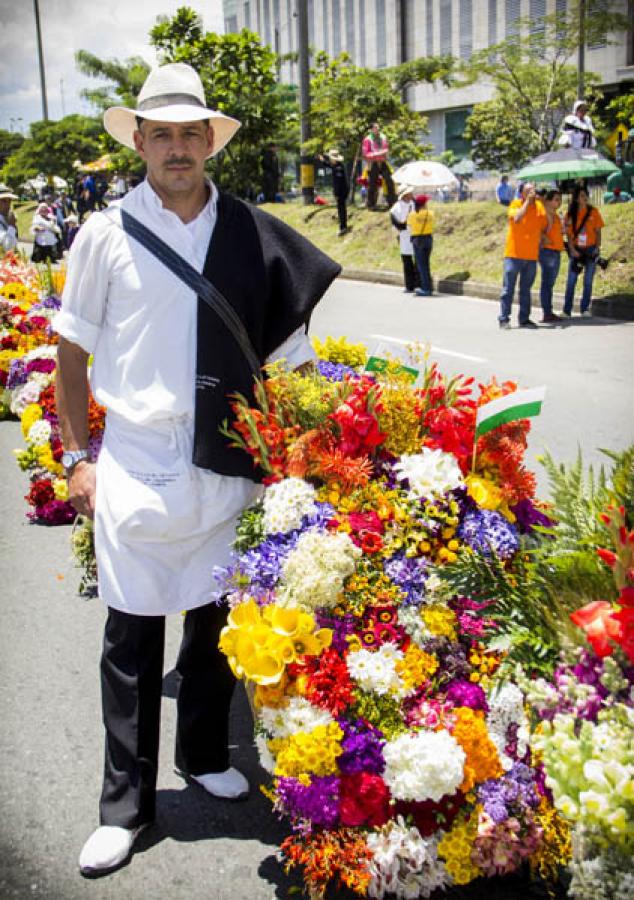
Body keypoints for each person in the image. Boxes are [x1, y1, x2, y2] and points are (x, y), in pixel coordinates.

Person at [52, 62, 340, 878]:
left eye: (191, 133)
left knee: (215, 626)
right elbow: (70, 353)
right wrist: (77, 457)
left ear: (211, 142)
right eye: (162, 133)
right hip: (137, 461)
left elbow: (292, 357)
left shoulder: (249, 230)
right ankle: (124, 806)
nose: (177, 148)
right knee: (132, 637)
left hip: (228, 459)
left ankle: (207, 749)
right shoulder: (103, 234)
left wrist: (336, 446)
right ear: (138, 141)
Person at [498, 181, 547, 329]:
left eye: (534, 190)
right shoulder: (515, 204)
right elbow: (517, 218)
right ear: (522, 193)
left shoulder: (539, 206)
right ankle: (504, 318)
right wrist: (527, 203)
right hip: (514, 254)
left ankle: (524, 318)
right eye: (528, 191)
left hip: (531, 256)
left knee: (526, 289)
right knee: (508, 289)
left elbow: (545, 226)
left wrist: (543, 203)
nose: (532, 192)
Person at [562, 184, 604, 318]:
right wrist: (572, 250)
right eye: (581, 195)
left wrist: (597, 248)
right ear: (576, 199)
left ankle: (585, 309)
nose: (585, 197)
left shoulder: (594, 212)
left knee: (588, 281)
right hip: (576, 250)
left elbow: (598, 232)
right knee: (571, 280)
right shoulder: (570, 214)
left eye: (586, 195)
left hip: (591, 249)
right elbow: (568, 235)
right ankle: (566, 310)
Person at [538, 189, 564, 324]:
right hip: (547, 251)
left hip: (556, 251)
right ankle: (547, 313)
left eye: (560, 199)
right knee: (547, 283)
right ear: (547, 201)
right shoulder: (544, 214)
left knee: (550, 283)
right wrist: (545, 239)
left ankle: (548, 312)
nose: (559, 202)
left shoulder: (556, 215)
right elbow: (537, 230)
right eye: (556, 199)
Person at [390, 186, 419, 293]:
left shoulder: (415, 204)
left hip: (416, 234)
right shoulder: (396, 208)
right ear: (404, 195)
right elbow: (397, 224)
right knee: (407, 261)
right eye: (409, 193)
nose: (412, 194)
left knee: (418, 261)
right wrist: (407, 222)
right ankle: (409, 285)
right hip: (404, 236)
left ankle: (417, 283)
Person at [362, 123, 396, 210]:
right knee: (372, 183)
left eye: (378, 127)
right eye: (375, 128)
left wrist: (386, 153)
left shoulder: (383, 137)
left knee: (389, 180)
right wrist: (378, 153)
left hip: (383, 162)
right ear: (371, 129)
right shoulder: (367, 139)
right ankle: (371, 204)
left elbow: (386, 148)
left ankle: (392, 202)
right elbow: (365, 154)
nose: (377, 129)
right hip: (373, 163)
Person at [407, 193, 434, 297]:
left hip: (418, 240)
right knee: (426, 264)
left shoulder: (412, 215)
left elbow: (409, 225)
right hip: (428, 239)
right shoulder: (431, 213)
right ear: (423, 204)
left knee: (421, 266)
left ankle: (426, 288)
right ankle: (428, 286)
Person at [318, 149, 350, 235]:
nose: (330, 159)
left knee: (341, 210)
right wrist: (323, 160)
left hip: (341, 192)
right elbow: (329, 165)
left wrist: (336, 194)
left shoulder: (337, 169)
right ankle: (343, 226)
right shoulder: (338, 166)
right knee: (341, 209)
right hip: (343, 191)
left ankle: (343, 227)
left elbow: (338, 183)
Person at [0, 184, 19, 252]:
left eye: (9, 201)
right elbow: (8, 246)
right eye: (4, 201)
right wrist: (11, 226)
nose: (8, 205)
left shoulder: (6, 218)